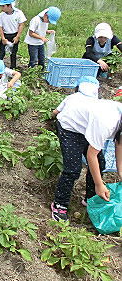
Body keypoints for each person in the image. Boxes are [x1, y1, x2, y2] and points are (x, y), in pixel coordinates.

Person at [50, 77, 121, 221]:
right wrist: (99, 184)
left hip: (87, 126)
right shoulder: (106, 122)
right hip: (70, 126)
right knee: (73, 168)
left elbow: (119, 146)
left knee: (101, 164)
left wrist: (121, 174)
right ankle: (60, 204)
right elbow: (91, 156)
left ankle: (91, 198)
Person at [0, 0, 27, 70]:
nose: (1, 8)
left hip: (14, 35)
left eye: (3, 6)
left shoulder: (18, 13)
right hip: (5, 35)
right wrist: (3, 38)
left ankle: (13, 68)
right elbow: (0, 27)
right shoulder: (1, 15)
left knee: (13, 53)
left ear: (9, 6)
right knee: (1, 53)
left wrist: (17, 37)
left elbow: (21, 25)